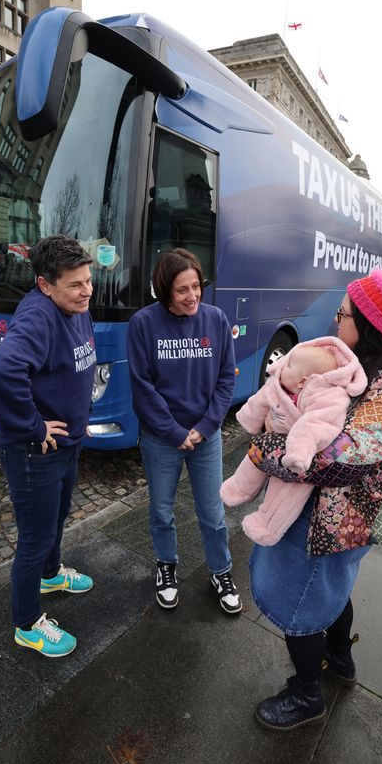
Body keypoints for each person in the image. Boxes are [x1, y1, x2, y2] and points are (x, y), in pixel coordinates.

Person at [244, 258, 382, 730]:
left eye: (342, 314)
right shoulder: (365, 367)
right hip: (329, 518)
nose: (333, 322)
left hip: (339, 522)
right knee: (330, 592)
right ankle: (340, 661)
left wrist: (261, 450)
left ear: (371, 324)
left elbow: (335, 460)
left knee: (303, 603)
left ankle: (306, 695)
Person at [0, 234, 96, 659]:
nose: (86, 291)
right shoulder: (38, 316)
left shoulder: (75, 305)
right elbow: (4, 372)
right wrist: (33, 426)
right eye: (75, 284)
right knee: (34, 538)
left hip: (67, 445)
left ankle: (51, 575)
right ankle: (27, 624)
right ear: (45, 284)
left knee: (58, 518)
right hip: (36, 453)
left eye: (88, 280)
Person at [126, 247, 241, 614]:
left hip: (205, 438)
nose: (192, 296)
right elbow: (143, 387)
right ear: (164, 290)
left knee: (212, 513)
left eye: (196, 286)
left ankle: (220, 571)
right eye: (182, 290)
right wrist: (176, 432)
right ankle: (166, 566)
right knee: (161, 511)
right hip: (162, 439)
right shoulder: (144, 324)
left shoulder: (216, 319)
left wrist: (206, 427)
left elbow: (226, 379)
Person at [220, 337, 367, 546]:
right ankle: (239, 488)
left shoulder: (330, 396)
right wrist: (250, 419)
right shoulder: (279, 384)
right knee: (252, 459)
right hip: (272, 443)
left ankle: (268, 525)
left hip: (302, 455)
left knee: (285, 495)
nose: (280, 364)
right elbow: (260, 400)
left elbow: (315, 425)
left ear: (302, 381)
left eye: (288, 364)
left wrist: (298, 452)